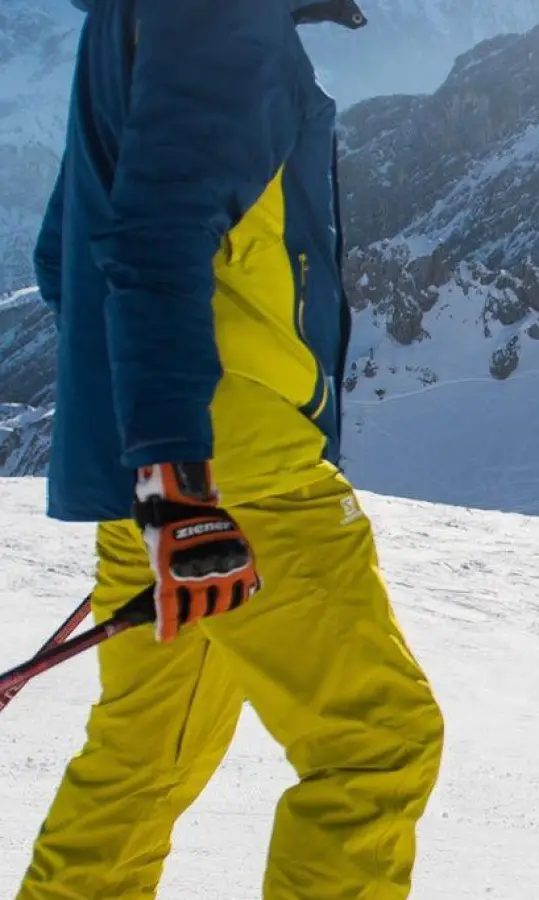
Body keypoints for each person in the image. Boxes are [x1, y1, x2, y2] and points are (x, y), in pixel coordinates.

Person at [16, 2, 445, 898]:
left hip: (171, 464)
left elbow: (66, 256)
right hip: (228, 465)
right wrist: (181, 474)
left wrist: (139, 449)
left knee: (145, 760)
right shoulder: (219, 13)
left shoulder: (142, 20)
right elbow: (155, 233)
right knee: (377, 746)